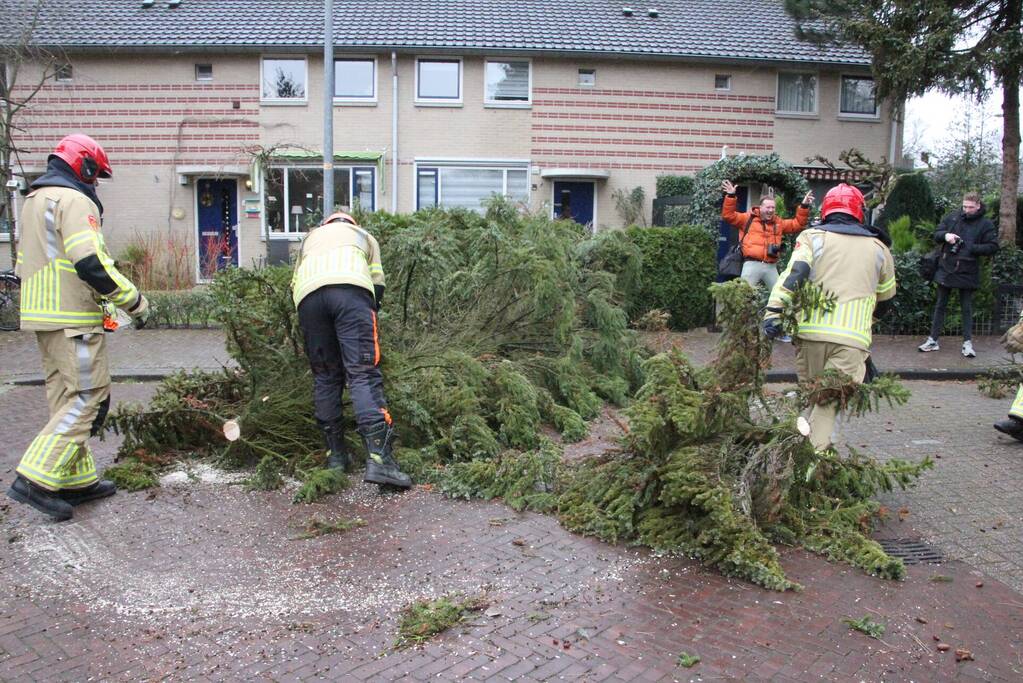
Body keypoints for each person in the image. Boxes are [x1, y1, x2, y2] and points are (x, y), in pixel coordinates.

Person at [6, 134, 149, 522]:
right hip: (72, 318)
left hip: (43, 316)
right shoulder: (74, 200)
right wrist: (133, 300)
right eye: (96, 174)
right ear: (83, 165)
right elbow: (90, 262)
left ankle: (75, 480)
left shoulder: (34, 199)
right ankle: (35, 480)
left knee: (65, 398)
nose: (96, 183)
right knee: (89, 397)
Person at [763, 183, 896, 452]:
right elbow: (886, 300)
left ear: (826, 211)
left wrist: (773, 312)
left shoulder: (813, 237)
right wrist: (866, 327)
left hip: (811, 336)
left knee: (812, 398)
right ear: (859, 212)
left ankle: (790, 449)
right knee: (827, 405)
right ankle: (809, 465)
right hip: (851, 342)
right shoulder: (880, 249)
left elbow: (795, 274)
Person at [291, 211, 412, 489]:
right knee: (362, 373)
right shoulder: (364, 237)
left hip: (308, 301)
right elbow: (377, 283)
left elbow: (295, 282)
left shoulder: (310, 238)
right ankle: (380, 461)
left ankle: (336, 457)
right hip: (351, 294)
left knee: (325, 376)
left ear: (326, 225)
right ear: (351, 224)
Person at [917, 192, 998, 357]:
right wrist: (946, 236)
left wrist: (971, 247)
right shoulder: (952, 218)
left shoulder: (985, 224)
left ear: (978, 206)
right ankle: (932, 340)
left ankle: (967, 343)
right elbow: (937, 234)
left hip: (968, 269)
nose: (967, 210)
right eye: (964, 206)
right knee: (940, 305)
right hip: (946, 267)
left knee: (966, 308)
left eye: (970, 207)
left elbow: (993, 247)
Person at [720, 180, 814, 292]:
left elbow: (798, 224)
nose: (771, 210)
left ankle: (775, 310)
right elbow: (728, 216)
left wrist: (803, 206)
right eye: (768, 207)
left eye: (773, 208)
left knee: (779, 294)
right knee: (743, 296)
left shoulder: (778, 223)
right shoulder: (747, 219)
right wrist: (731, 196)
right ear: (760, 207)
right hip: (751, 263)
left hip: (771, 266)